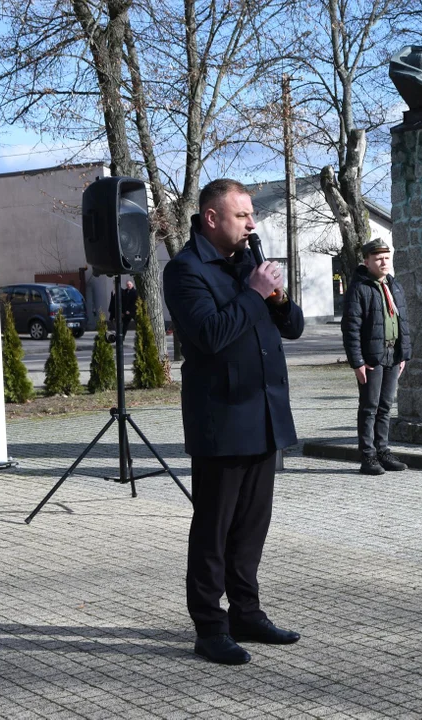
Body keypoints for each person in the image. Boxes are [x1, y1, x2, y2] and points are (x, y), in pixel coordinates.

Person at [163, 178, 305, 666]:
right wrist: (253, 294)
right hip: (221, 422)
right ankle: (209, 626)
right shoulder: (185, 271)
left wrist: (278, 297)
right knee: (214, 530)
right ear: (211, 218)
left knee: (251, 528)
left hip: (264, 415)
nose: (252, 223)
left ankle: (246, 612)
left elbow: (293, 328)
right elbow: (209, 336)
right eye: (243, 215)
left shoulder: (248, 264)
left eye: (251, 216)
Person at [342, 239, 412, 476]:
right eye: (378, 259)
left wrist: (403, 354)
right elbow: (351, 327)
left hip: (392, 355)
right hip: (372, 357)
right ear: (367, 261)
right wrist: (357, 362)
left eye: (386, 258)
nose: (384, 262)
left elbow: (403, 322)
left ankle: (383, 451)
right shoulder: (360, 287)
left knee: (385, 406)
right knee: (369, 407)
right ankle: (368, 456)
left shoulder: (394, 285)